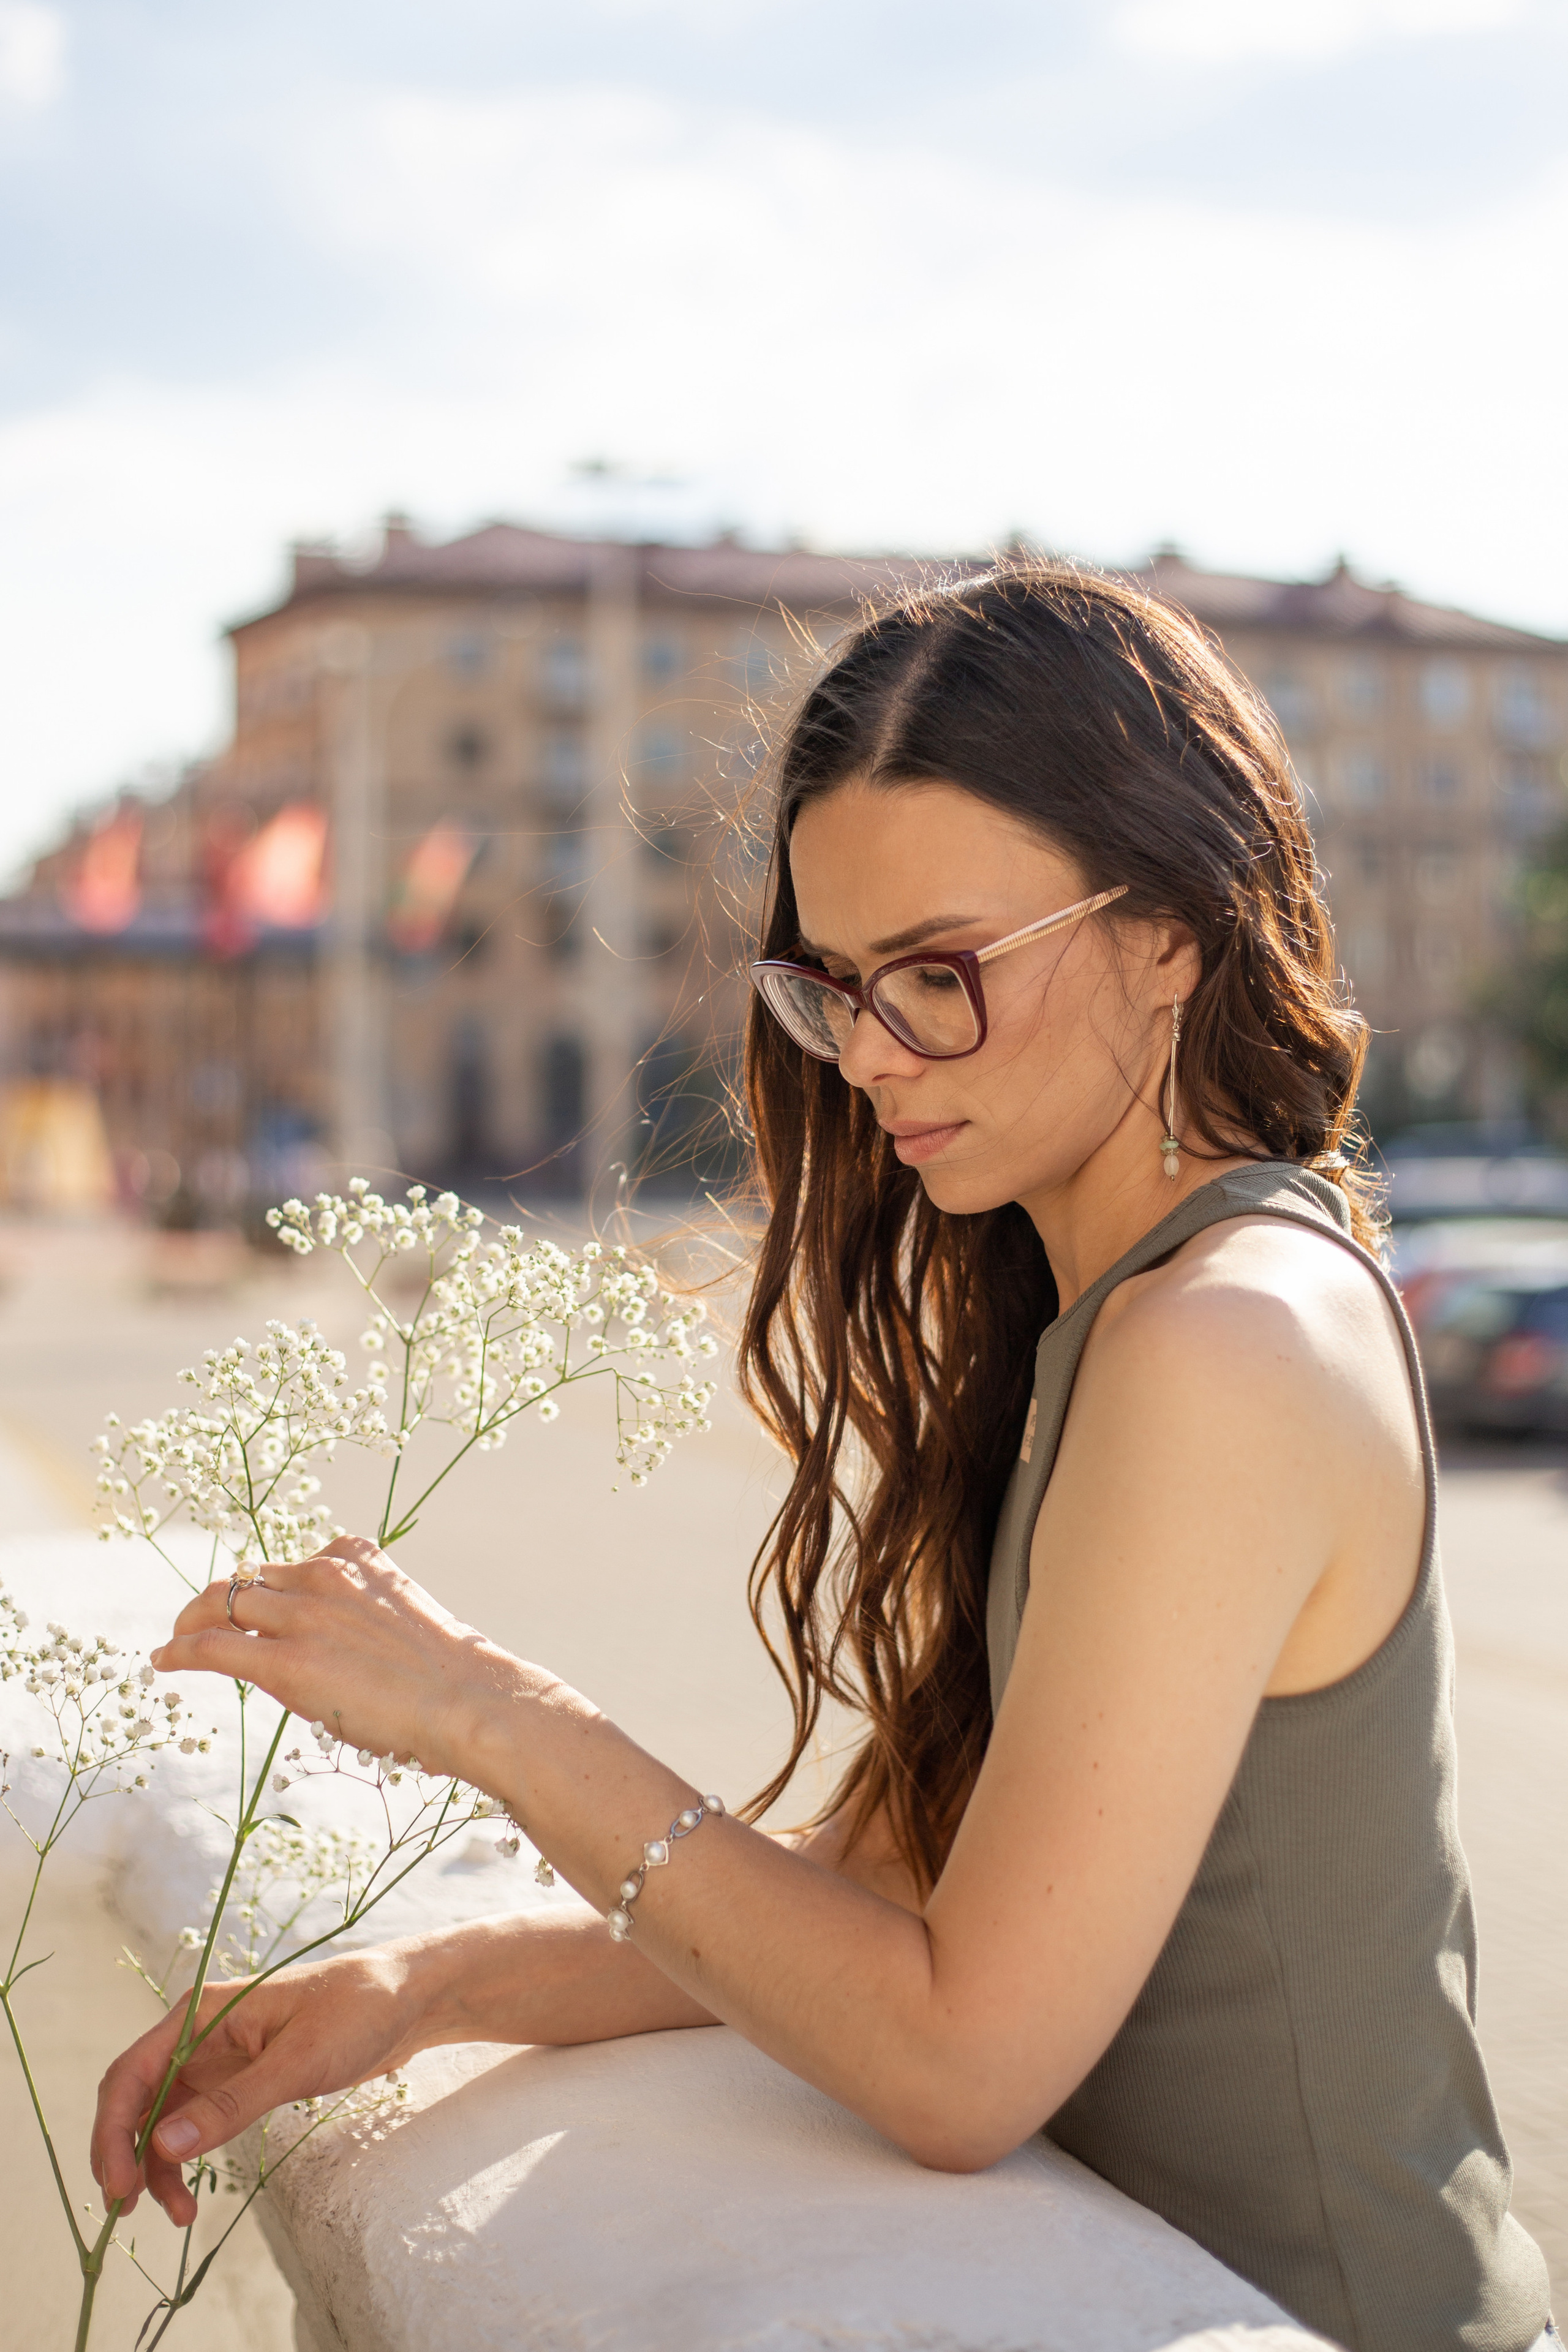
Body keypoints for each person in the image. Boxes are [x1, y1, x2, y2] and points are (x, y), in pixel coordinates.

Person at [93, 565, 1553, 2352]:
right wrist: (424, 1986)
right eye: (837, 985)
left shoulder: (1223, 1339)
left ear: (1171, 927)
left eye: (939, 976)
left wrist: (496, 1720)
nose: (867, 1056)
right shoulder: (1111, 1302)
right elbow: (879, 1891)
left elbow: (956, 2061)